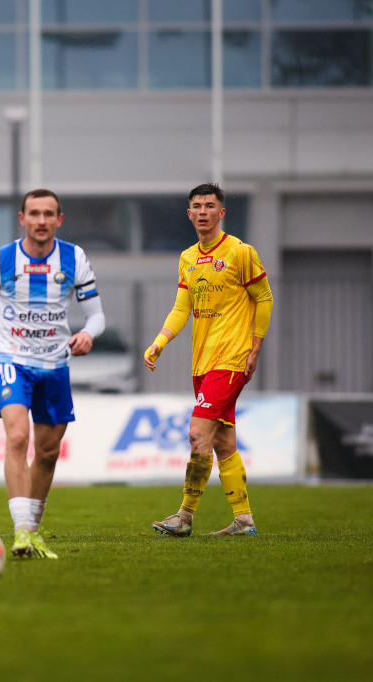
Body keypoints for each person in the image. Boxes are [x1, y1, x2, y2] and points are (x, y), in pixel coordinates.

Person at [0, 189, 106, 559]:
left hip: (55, 364)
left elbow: (96, 316)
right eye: (34, 213)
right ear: (22, 218)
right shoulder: (1, 260)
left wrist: (88, 334)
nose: (41, 220)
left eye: (48, 214)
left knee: (47, 452)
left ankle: (33, 530)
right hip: (12, 360)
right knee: (17, 438)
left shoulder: (74, 258)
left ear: (59, 219)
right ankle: (21, 532)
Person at [143, 182, 273, 537]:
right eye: (197, 206)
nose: (203, 211)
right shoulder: (188, 258)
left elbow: (264, 298)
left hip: (231, 358)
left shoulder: (240, 252)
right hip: (202, 362)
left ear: (221, 213)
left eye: (210, 206)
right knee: (223, 442)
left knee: (197, 433)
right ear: (189, 214)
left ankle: (184, 517)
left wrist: (255, 347)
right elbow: (181, 308)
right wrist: (159, 342)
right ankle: (244, 520)